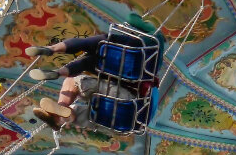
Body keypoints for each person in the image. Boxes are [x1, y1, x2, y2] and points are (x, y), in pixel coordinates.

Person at [25, 16, 158, 130]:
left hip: (124, 104)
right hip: (129, 122)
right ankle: (64, 116)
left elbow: (131, 18)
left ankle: (53, 52)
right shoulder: (148, 53)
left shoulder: (118, 49)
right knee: (86, 111)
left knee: (75, 78)